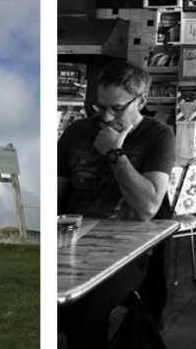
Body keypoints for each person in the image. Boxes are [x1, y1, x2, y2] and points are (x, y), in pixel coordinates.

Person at [58, 61, 174, 349]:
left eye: (118, 108)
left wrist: (114, 153)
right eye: (100, 107)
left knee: (87, 313)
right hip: (73, 241)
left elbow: (147, 207)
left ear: (142, 101)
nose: (107, 117)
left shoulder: (158, 135)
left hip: (127, 249)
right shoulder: (76, 132)